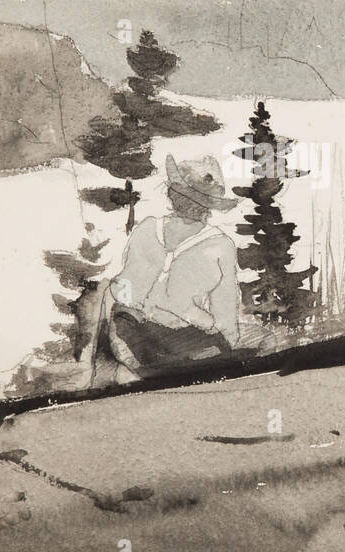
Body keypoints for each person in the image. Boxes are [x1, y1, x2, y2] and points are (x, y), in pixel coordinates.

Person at [101, 154, 241, 382]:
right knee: (221, 352)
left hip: (132, 331)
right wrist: (209, 326)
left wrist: (144, 304)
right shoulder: (220, 245)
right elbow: (224, 319)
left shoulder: (148, 227)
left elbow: (124, 290)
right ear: (210, 205)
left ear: (172, 194)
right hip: (152, 335)